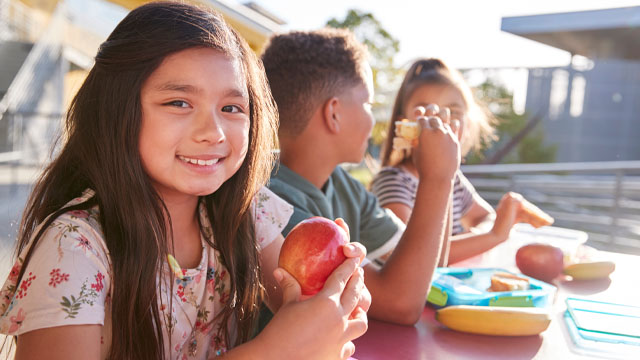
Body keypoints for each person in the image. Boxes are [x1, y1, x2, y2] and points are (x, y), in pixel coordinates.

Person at [0, 3, 369, 359]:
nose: (214, 132)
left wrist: (336, 295)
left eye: (231, 108)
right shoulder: (75, 249)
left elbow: (301, 307)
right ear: (117, 110)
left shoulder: (246, 213)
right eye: (179, 102)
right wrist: (273, 352)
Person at [261, 29, 460, 325]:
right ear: (334, 114)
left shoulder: (343, 185)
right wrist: (437, 178)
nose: (373, 118)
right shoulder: (272, 201)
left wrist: (443, 171)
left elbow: (429, 265)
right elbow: (401, 303)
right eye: (368, 104)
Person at [372, 58, 543, 264]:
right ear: (404, 124)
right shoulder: (394, 181)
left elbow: (485, 217)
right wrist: (493, 237)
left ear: (467, 123)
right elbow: (414, 255)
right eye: (427, 113)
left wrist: (471, 238)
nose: (441, 123)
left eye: (453, 113)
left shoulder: (455, 180)